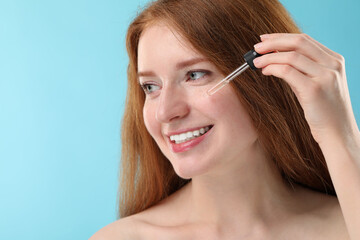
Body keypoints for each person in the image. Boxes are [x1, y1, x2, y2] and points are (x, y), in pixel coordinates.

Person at [90, 0, 360, 239]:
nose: (164, 112)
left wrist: (338, 133)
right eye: (150, 87)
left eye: (194, 75)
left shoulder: (348, 225)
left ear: (268, 78)